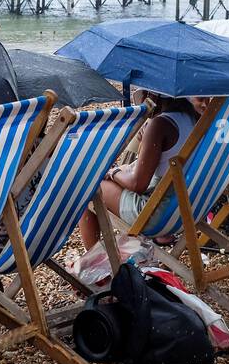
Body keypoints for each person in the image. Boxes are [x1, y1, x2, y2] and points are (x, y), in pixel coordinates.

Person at [78, 94, 201, 250]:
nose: (141, 100)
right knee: (109, 179)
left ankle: (95, 265)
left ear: (153, 94)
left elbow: (137, 184)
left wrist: (113, 173)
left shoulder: (160, 124)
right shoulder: (195, 118)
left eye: (139, 93)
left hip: (158, 216)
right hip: (189, 210)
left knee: (88, 188)